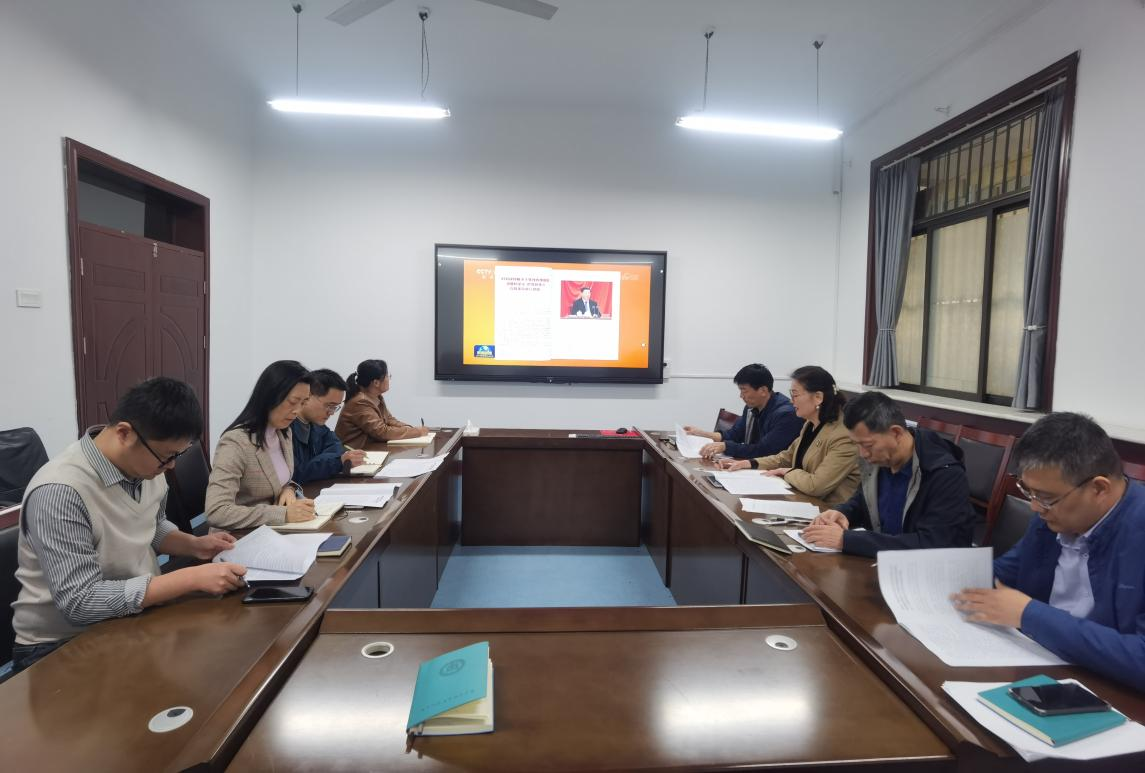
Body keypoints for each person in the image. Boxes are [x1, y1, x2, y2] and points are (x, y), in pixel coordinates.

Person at [11, 378, 246, 673]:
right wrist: (190, 579)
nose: (171, 466)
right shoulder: (60, 491)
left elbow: (152, 525)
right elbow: (79, 602)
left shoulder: (147, 468)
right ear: (124, 433)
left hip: (129, 618)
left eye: (177, 455)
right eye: (166, 456)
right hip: (60, 644)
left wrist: (195, 545)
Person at [952, 413, 1145, 692]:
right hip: (1040, 661)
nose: (1034, 507)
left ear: (1099, 488)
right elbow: (1004, 574)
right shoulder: (1052, 519)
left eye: (1045, 497)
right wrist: (937, 577)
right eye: (1028, 491)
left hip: (1110, 690)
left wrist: (1028, 614)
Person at [802, 390, 975, 556]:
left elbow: (934, 543)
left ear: (896, 433)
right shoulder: (880, 459)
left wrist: (847, 540)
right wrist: (844, 512)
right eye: (857, 444)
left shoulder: (945, 475)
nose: (862, 453)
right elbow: (863, 501)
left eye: (868, 445)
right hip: (880, 562)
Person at [720, 366, 859, 505]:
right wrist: (750, 463)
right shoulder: (810, 424)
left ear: (818, 397)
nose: (792, 401)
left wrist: (787, 472)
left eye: (795, 395)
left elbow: (816, 486)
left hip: (828, 511)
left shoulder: (843, 436)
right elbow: (786, 457)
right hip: (802, 500)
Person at [205, 360, 316, 528]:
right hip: (239, 536)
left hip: (274, 529)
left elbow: (279, 480)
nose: (297, 411)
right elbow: (217, 512)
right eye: (293, 402)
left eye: (303, 403)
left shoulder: (284, 432)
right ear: (269, 397)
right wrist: (283, 514)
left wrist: (289, 489)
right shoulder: (236, 442)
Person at [683, 363, 803, 460]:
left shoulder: (786, 414)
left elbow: (764, 450)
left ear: (763, 390)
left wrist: (726, 446)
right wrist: (702, 433)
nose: (741, 396)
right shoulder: (751, 407)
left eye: (744, 390)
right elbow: (734, 435)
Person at [291, 369, 367, 484]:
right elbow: (295, 474)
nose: (331, 413)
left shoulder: (318, 427)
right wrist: (337, 462)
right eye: (329, 405)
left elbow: (337, 447)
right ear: (307, 396)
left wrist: (317, 463)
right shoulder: (285, 429)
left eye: (335, 407)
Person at [335, 359, 428, 447]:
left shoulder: (376, 397)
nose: (389, 379)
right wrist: (416, 432)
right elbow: (382, 432)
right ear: (376, 383)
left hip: (370, 448)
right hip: (354, 452)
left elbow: (389, 420)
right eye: (387, 376)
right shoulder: (360, 402)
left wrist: (408, 428)